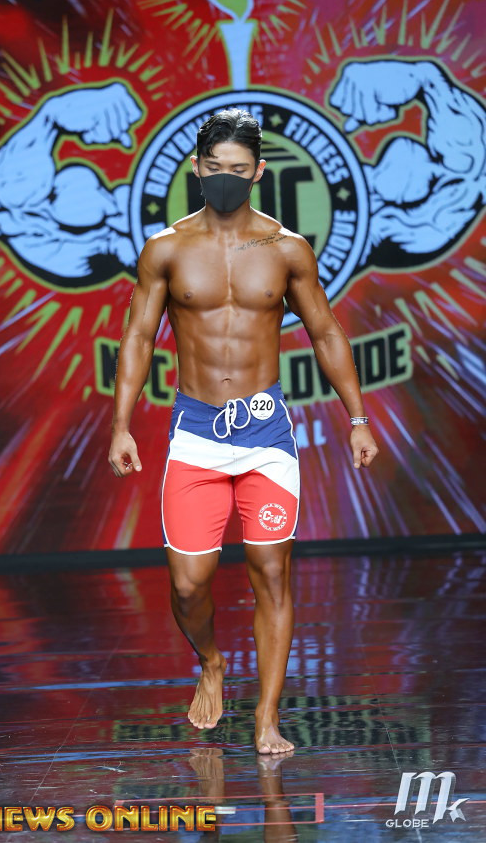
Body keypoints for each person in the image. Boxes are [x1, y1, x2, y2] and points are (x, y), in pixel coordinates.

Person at [108, 108, 379, 754]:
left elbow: (325, 332)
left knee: (271, 573)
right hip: (197, 432)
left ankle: (266, 717)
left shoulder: (287, 249)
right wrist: (121, 425)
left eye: (238, 168)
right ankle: (211, 661)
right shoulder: (167, 248)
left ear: (258, 171)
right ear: (197, 169)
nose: (225, 177)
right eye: (215, 167)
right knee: (187, 584)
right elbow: (139, 336)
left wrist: (357, 418)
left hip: (265, 434)